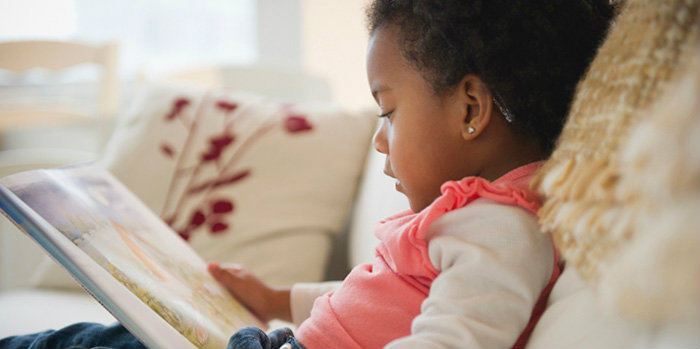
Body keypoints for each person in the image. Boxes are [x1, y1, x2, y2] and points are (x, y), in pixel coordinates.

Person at [0, 1, 614, 348]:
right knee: (102, 339)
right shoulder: (481, 215)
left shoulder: (501, 229)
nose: (380, 138)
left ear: (471, 110)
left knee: (90, 345)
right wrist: (276, 299)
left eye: (390, 112)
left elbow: (453, 341)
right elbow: (375, 301)